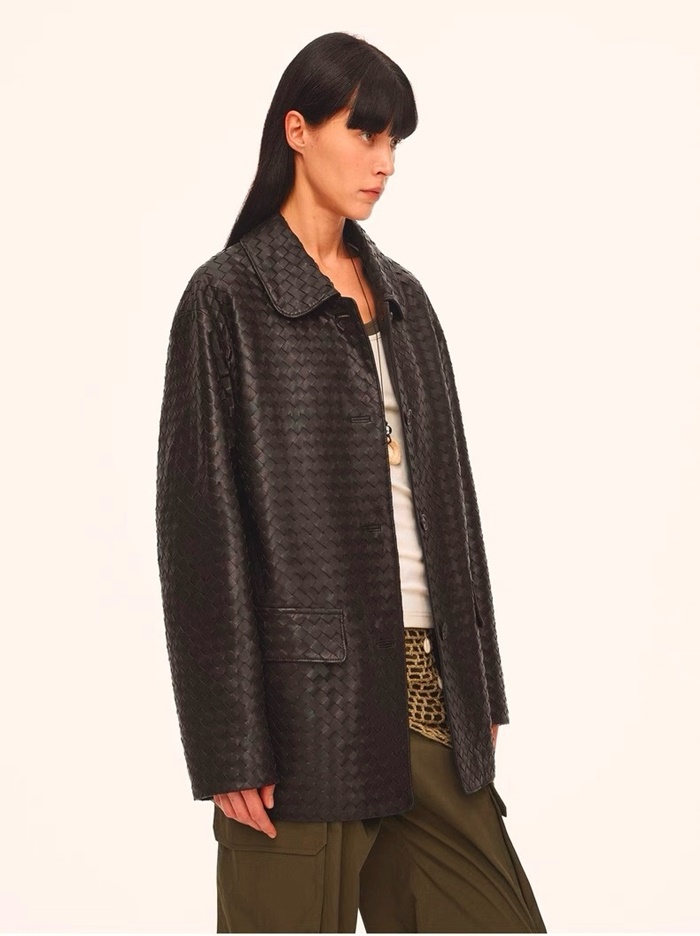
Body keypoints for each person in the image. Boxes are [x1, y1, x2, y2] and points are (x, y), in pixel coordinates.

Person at [156, 30, 547, 934]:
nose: (385, 162)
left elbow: (455, 503)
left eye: (394, 140)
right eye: (364, 133)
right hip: (304, 713)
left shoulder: (404, 299)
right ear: (296, 130)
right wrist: (229, 741)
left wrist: (478, 678)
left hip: (429, 692)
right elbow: (200, 537)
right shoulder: (227, 300)